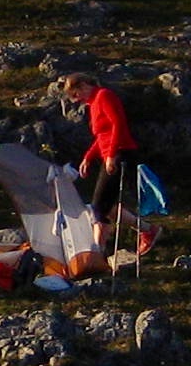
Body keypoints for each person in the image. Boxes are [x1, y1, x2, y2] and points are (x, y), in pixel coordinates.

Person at [59, 69, 139, 255]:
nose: (77, 99)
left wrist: (111, 155)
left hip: (120, 153)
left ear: (83, 86)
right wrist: (88, 157)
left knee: (98, 207)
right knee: (106, 205)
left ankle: (97, 252)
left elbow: (117, 124)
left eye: (76, 94)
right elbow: (102, 135)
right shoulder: (94, 103)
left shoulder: (103, 96)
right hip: (111, 153)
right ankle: (147, 230)